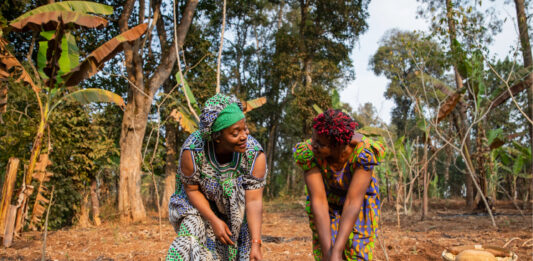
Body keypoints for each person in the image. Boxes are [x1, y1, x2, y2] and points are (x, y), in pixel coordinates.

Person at [166, 94, 267, 261]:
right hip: (198, 205)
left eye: (245, 128)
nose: (244, 136)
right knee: (191, 234)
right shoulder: (193, 151)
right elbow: (191, 189)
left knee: (242, 253)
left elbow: (254, 201)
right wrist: (213, 219)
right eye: (235, 132)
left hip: (237, 211)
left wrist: (256, 243)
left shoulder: (254, 155)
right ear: (217, 137)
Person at [293, 109, 385, 261]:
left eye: (320, 144)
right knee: (327, 252)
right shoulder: (309, 153)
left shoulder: (364, 152)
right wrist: (330, 253)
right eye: (313, 139)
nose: (313, 145)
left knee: (357, 253)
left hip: (359, 203)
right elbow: (319, 201)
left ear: (338, 145)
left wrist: (337, 251)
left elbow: (353, 202)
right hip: (327, 201)